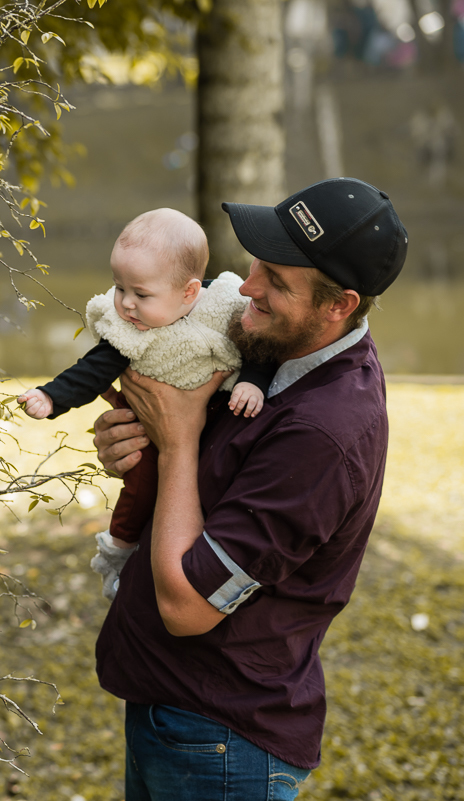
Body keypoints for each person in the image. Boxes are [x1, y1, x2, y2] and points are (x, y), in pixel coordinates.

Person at [91, 177, 407, 800]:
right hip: (174, 711)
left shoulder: (323, 434)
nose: (246, 287)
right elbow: (202, 482)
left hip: (222, 743)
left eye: (277, 281)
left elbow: (188, 607)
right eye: (258, 262)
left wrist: (178, 442)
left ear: (339, 305)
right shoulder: (272, 343)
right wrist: (140, 443)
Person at [16, 208, 274, 598]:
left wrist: (253, 381)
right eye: (119, 288)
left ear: (189, 292)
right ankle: (118, 550)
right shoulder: (130, 330)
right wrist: (51, 396)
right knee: (142, 481)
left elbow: (258, 346)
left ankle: (198, 563)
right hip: (152, 429)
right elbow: (93, 369)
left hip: (219, 423)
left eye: (140, 294)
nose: (126, 304)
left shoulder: (226, 307)